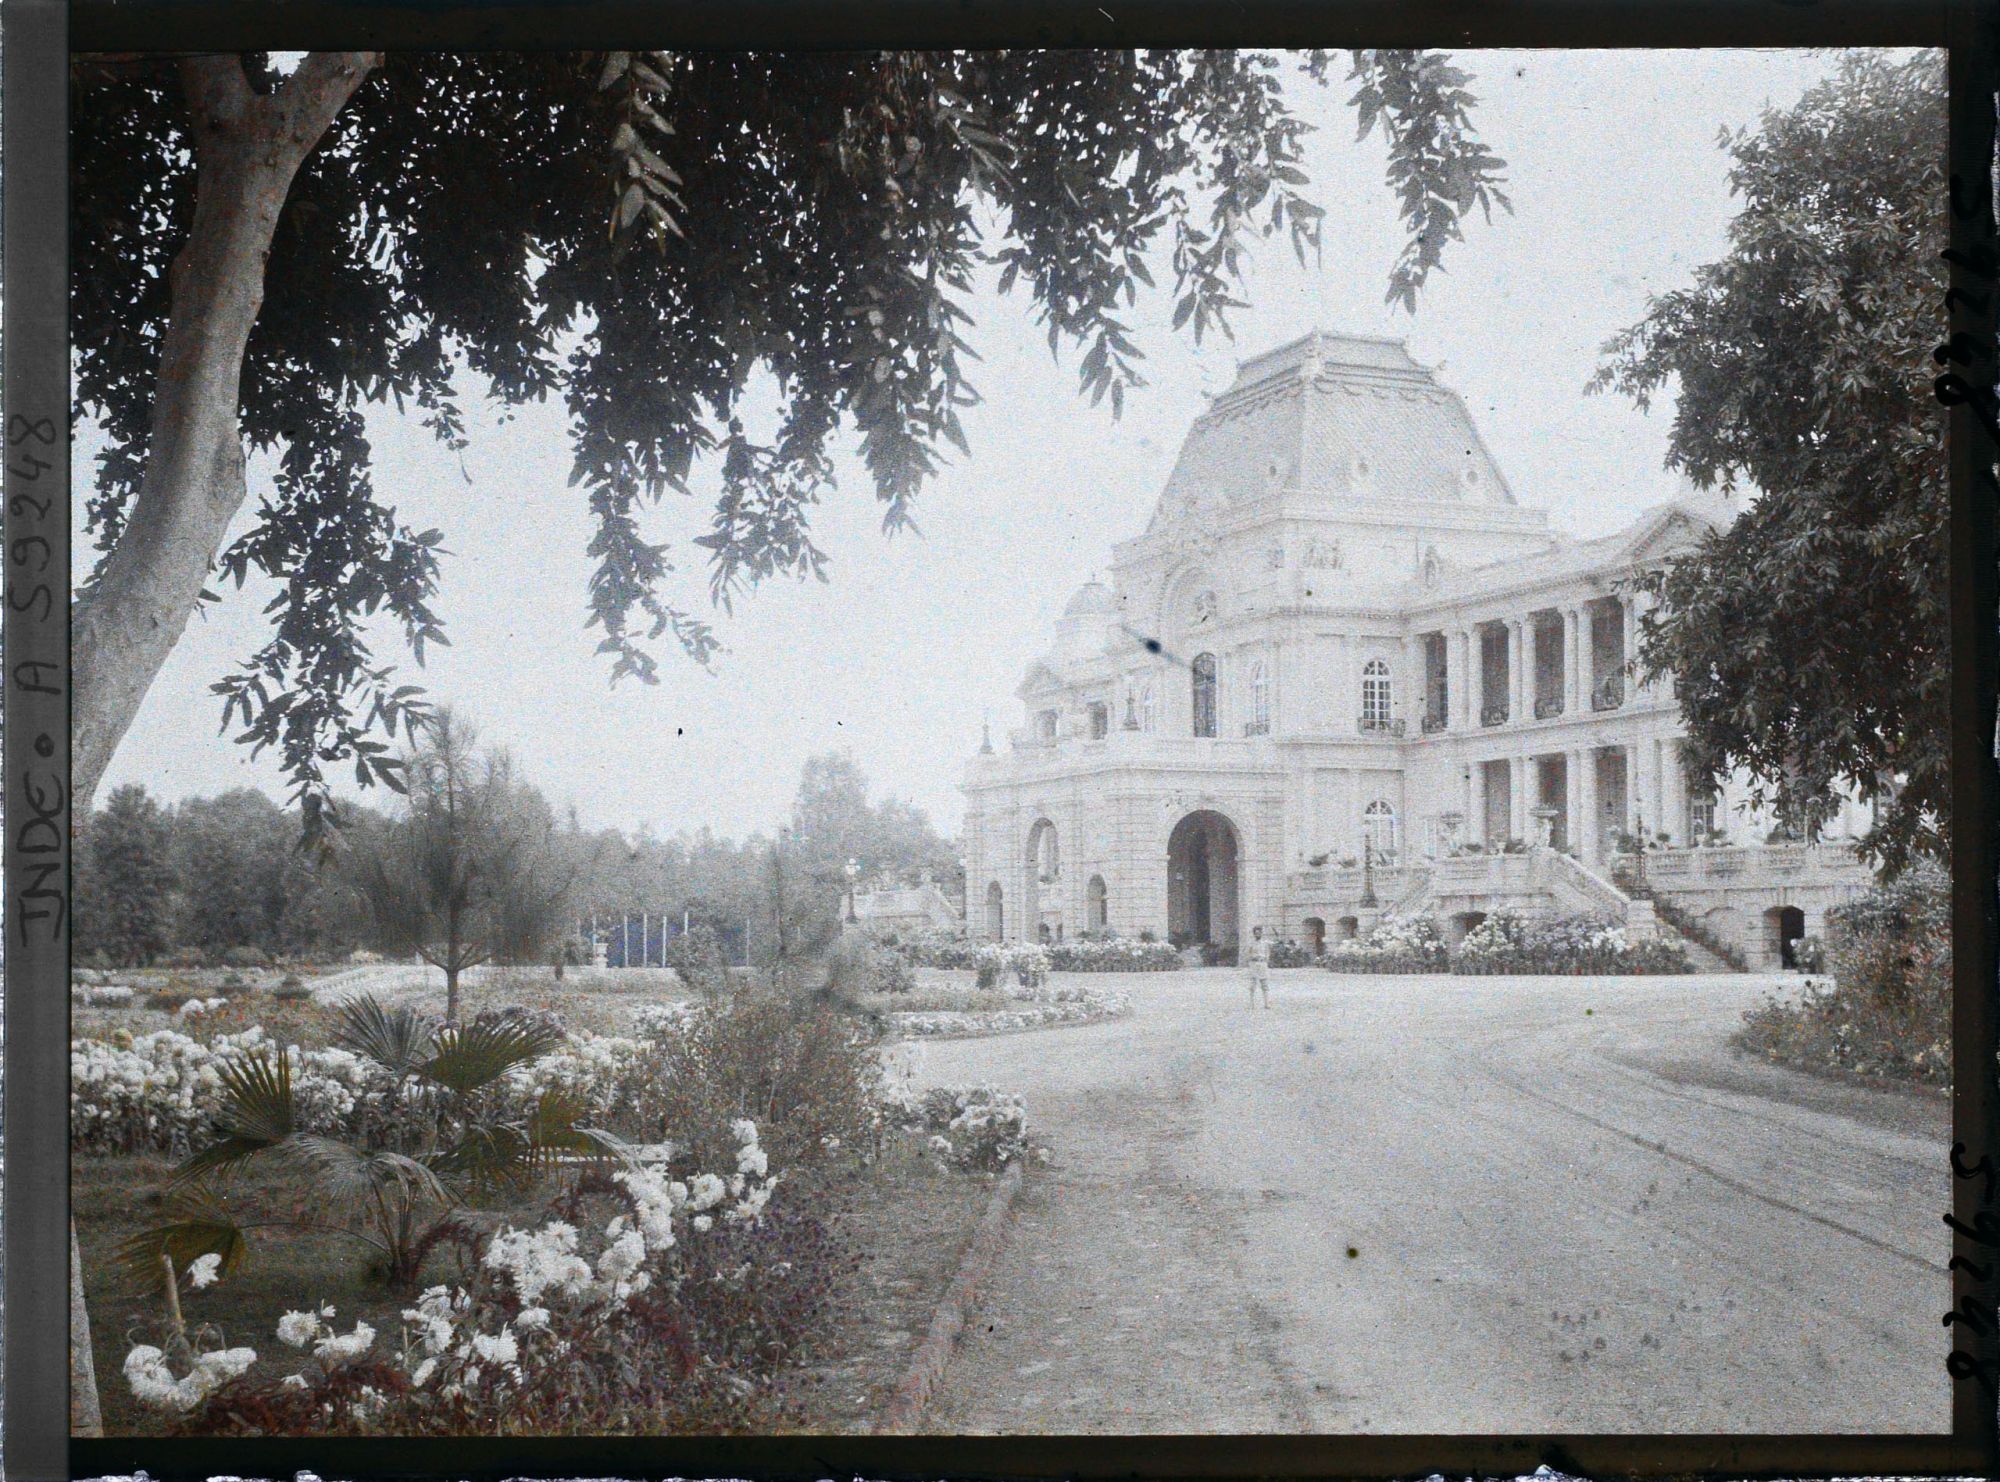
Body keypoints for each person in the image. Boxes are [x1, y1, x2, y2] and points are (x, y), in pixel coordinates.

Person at [1245, 924, 1272, 1008]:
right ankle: (1251, 1004)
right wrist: (1252, 957)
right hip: (1253, 964)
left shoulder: (1265, 943)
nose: (1258, 934)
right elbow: (1247, 953)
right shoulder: (1251, 943)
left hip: (1262, 964)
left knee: (1264, 984)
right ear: (1254, 934)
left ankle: (1266, 1003)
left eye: (1259, 933)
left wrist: (1265, 959)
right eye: (1256, 933)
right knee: (1252, 985)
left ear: (1261, 933)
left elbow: (1267, 954)